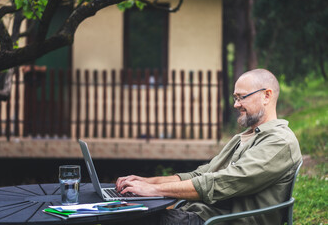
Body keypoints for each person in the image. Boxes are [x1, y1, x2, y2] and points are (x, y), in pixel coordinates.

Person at [116, 69, 302, 225]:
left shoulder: (279, 142)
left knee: (126, 217)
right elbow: (202, 174)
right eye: (235, 98)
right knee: (122, 211)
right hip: (201, 215)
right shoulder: (243, 138)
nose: (236, 104)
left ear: (266, 96)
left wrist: (154, 191)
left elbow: (224, 182)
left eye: (241, 97)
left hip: (221, 221)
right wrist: (147, 182)